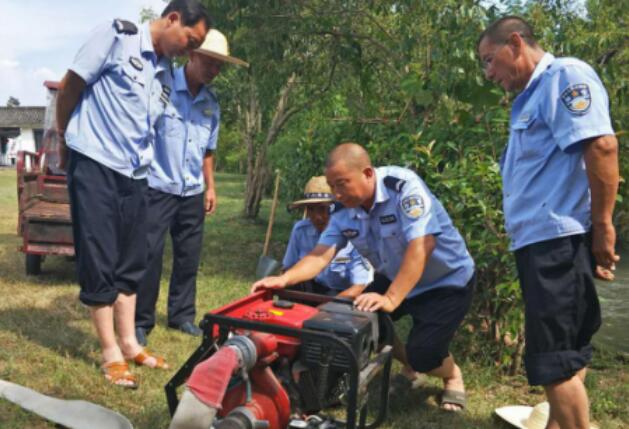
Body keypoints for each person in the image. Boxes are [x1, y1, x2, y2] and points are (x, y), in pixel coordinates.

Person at [55, 0, 211, 388]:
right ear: (173, 19)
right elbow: (71, 84)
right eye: (189, 40)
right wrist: (64, 137)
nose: (189, 51)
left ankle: (129, 343)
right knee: (100, 256)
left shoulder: (164, 74)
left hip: (137, 175)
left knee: (133, 260)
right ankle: (110, 352)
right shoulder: (116, 36)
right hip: (95, 162)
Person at [252, 143, 476, 411]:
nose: (336, 193)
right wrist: (283, 279)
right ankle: (409, 368)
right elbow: (321, 255)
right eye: (332, 186)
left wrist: (392, 297)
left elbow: (422, 245)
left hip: (446, 280)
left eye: (342, 184)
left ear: (368, 173)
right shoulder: (342, 211)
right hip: (394, 275)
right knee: (359, 321)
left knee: (425, 353)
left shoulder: (403, 188)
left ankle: (451, 375)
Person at [478, 16, 619, 428]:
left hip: (555, 242)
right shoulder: (531, 97)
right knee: (566, 350)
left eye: (490, 60)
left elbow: (602, 145)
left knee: (553, 358)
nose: (489, 74)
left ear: (516, 43)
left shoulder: (565, 76)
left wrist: (604, 225)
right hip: (543, 242)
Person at [135, 29, 248, 346]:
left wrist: (210, 188)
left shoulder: (211, 104)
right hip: (157, 185)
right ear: (192, 55)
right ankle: (141, 320)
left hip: (192, 192)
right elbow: (143, 130)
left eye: (219, 66)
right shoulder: (163, 87)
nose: (214, 71)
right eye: (210, 63)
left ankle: (181, 315)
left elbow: (207, 151)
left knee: (188, 257)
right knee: (149, 255)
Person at [282, 175, 373, 296]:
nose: (317, 216)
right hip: (311, 290)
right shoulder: (301, 231)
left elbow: (360, 286)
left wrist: (326, 307)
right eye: (311, 209)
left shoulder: (353, 233)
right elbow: (288, 268)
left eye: (323, 209)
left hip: (343, 295)